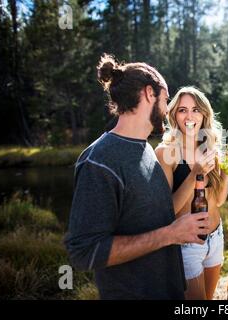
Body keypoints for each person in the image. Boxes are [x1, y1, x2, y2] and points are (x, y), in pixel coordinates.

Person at [64, 55, 210, 300]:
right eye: (165, 100)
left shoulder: (146, 151)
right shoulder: (98, 162)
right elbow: (84, 251)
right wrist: (170, 234)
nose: (167, 111)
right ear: (149, 93)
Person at [155, 86, 228, 300]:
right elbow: (168, 211)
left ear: (204, 114)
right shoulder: (165, 152)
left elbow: (219, 201)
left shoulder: (210, 148)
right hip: (187, 244)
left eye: (196, 109)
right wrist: (195, 173)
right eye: (183, 110)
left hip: (216, 237)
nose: (190, 116)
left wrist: (227, 172)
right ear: (174, 114)